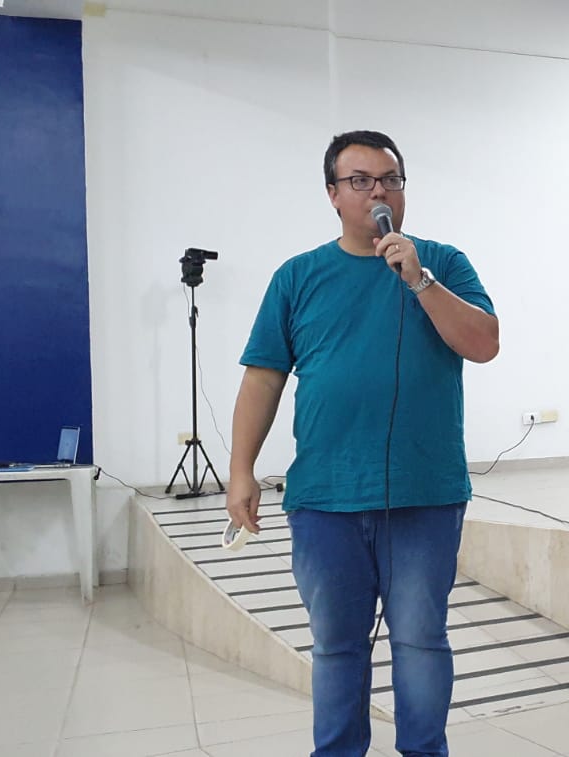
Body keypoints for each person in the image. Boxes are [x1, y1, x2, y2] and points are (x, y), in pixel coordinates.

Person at [226, 130, 500, 757]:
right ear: (332, 193)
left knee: (421, 641)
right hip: (325, 498)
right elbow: (262, 379)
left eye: (391, 180)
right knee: (337, 648)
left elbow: (484, 343)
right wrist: (241, 471)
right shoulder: (297, 277)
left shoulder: (443, 263)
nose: (379, 192)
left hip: (423, 493)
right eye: (361, 181)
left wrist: (420, 281)